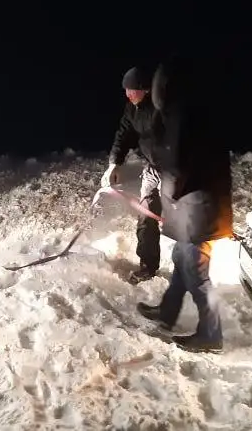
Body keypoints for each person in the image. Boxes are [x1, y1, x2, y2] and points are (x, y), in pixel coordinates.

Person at [136, 56, 233, 353]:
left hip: (198, 212)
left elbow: (175, 167)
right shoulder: (195, 112)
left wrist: (166, 191)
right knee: (182, 260)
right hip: (200, 209)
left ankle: (211, 335)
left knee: (197, 275)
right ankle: (167, 313)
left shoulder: (181, 117)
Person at [101, 66, 164, 282]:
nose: (127, 94)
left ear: (145, 89)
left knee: (181, 223)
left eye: (131, 90)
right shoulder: (132, 109)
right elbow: (123, 134)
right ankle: (148, 266)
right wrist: (114, 163)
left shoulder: (163, 108)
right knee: (146, 216)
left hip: (175, 170)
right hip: (153, 170)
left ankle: (195, 272)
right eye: (125, 90)